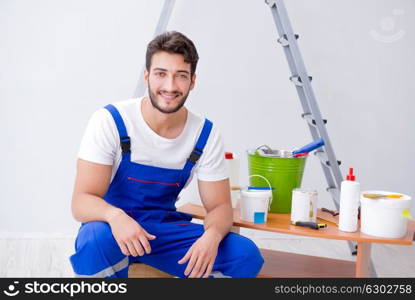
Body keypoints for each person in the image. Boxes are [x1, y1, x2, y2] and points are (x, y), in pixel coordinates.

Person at [69, 31, 264, 278]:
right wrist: (115, 216)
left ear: (192, 81)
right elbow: (81, 202)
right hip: (112, 231)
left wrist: (211, 237)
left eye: (180, 76)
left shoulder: (204, 134)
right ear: (147, 76)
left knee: (243, 254)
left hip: (163, 233)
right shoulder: (111, 121)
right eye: (161, 74)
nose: (170, 87)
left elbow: (220, 207)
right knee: (94, 238)